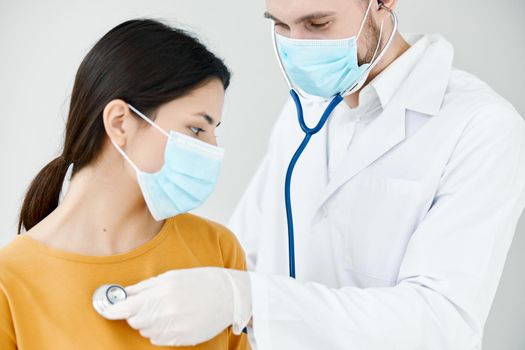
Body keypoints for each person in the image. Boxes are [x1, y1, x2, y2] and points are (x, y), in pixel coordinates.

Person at [102, 1, 525, 349]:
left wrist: (246, 300)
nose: (298, 46)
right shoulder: (303, 111)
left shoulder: (480, 125)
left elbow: (441, 323)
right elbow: (241, 252)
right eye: (281, 26)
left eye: (317, 23)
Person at [0, 19, 249, 350]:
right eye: (197, 129)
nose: (213, 149)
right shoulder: (10, 282)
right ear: (120, 123)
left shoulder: (217, 249)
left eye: (215, 129)